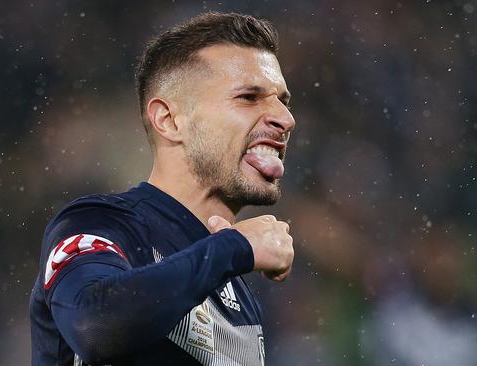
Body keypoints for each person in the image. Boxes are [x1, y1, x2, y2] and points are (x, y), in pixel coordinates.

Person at [29, 11, 296, 365]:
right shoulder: (102, 225)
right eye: (248, 97)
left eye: (282, 100)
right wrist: (236, 248)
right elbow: (94, 323)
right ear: (169, 120)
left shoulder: (236, 291)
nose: (285, 119)